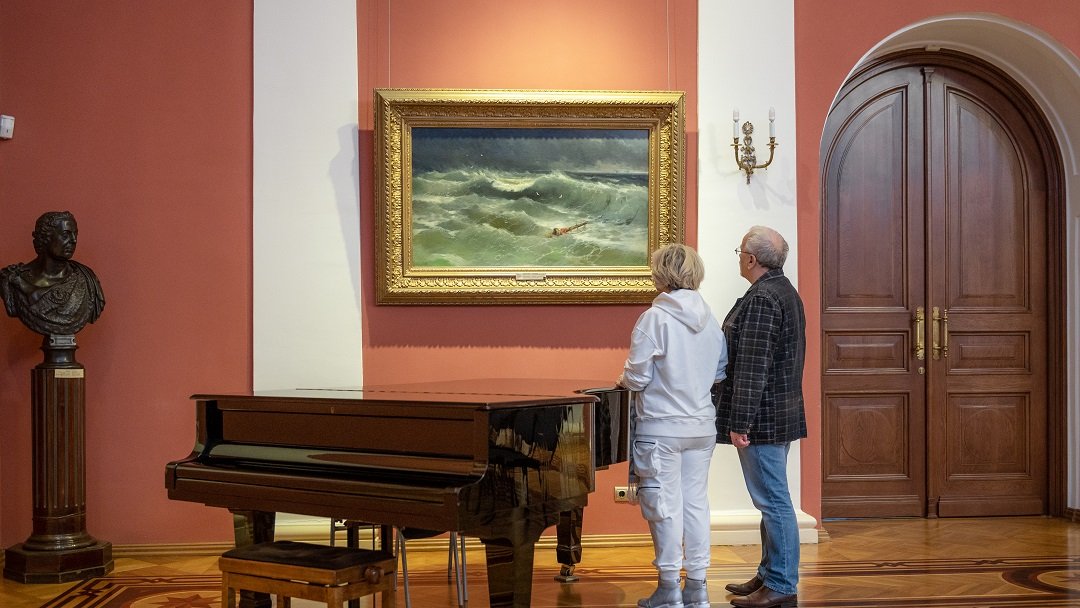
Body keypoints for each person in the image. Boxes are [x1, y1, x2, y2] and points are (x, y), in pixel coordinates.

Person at [616, 243, 728, 608]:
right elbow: (719, 373)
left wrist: (622, 378)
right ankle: (697, 587)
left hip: (661, 428)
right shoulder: (710, 320)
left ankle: (668, 588)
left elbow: (636, 377)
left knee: (662, 506)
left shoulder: (654, 319)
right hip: (701, 427)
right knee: (696, 505)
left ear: (661, 274)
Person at [715, 226, 806, 608]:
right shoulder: (781, 291)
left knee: (773, 502)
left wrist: (740, 423)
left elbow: (753, 368)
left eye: (740, 252)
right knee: (771, 500)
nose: (739, 257)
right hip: (776, 414)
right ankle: (769, 574)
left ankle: (781, 582)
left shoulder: (764, 298)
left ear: (751, 259)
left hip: (762, 420)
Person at [0, 211, 105, 336]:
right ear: (45, 238)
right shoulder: (13, 278)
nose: (74, 240)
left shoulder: (86, 279)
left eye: (75, 234)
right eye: (65, 235)